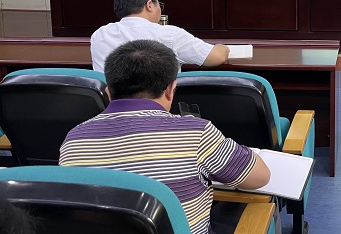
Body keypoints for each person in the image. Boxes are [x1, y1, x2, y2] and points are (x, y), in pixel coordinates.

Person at [60, 39, 271, 234]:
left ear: (108, 92)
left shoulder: (74, 140)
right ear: (171, 90)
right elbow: (259, 177)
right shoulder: (195, 133)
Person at [90, 0, 230, 72]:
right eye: (159, 5)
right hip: (157, 108)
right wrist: (221, 47)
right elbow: (217, 57)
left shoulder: (99, 34)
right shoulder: (169, 35)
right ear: (150, 5)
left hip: (112, 108)